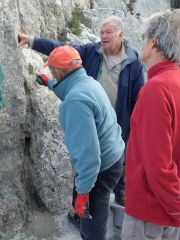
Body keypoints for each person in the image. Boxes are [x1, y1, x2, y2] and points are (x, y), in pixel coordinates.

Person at [18, 16, 144, 208]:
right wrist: (32, 41)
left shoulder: (133, 62)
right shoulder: (92, 52)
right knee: (96, 165)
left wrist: (136, 127)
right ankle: (86, 209)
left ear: (121, 35)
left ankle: (115, 195)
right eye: (101, 32)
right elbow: (62, 51)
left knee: (112, 163)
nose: (104, 36)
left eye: (109, 32)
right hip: (90, 116)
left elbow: (138, 98)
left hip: (119, 123)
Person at [28, 45, 125, 240]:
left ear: (62, 71)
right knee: (90, 202)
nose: (52, 72)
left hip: (101, 169)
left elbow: (89, 159)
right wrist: (50, 83)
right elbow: (71, 88)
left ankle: (91, 232)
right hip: (115, 155)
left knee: (93, 219)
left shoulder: (75, 102)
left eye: (53, 69)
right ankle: (82, 219)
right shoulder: (88, 82)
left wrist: (83, 193)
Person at [122, 9, 180, 240]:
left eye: (144, 38)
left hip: (150, 213)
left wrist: (176, 206)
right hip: (167, 211)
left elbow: (158, 165)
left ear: (154, 41)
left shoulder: (156, 89)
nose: (142, 43)